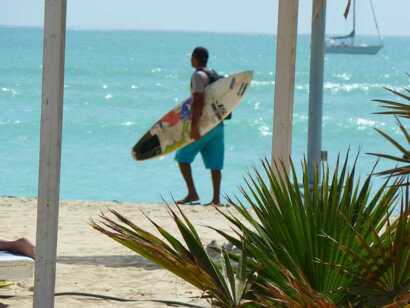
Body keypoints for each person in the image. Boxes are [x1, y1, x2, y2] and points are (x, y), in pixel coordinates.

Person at [175, 47, 225, 206]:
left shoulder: (198, 75)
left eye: (192, 57)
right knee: (215, 164)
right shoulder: (215, 75)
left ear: (196, 58)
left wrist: (194, 126)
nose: (190, 59)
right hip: (218, 124)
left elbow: (198, 100)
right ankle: (216, 199)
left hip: (204, 125)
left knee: (182, 156)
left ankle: (192, 193)